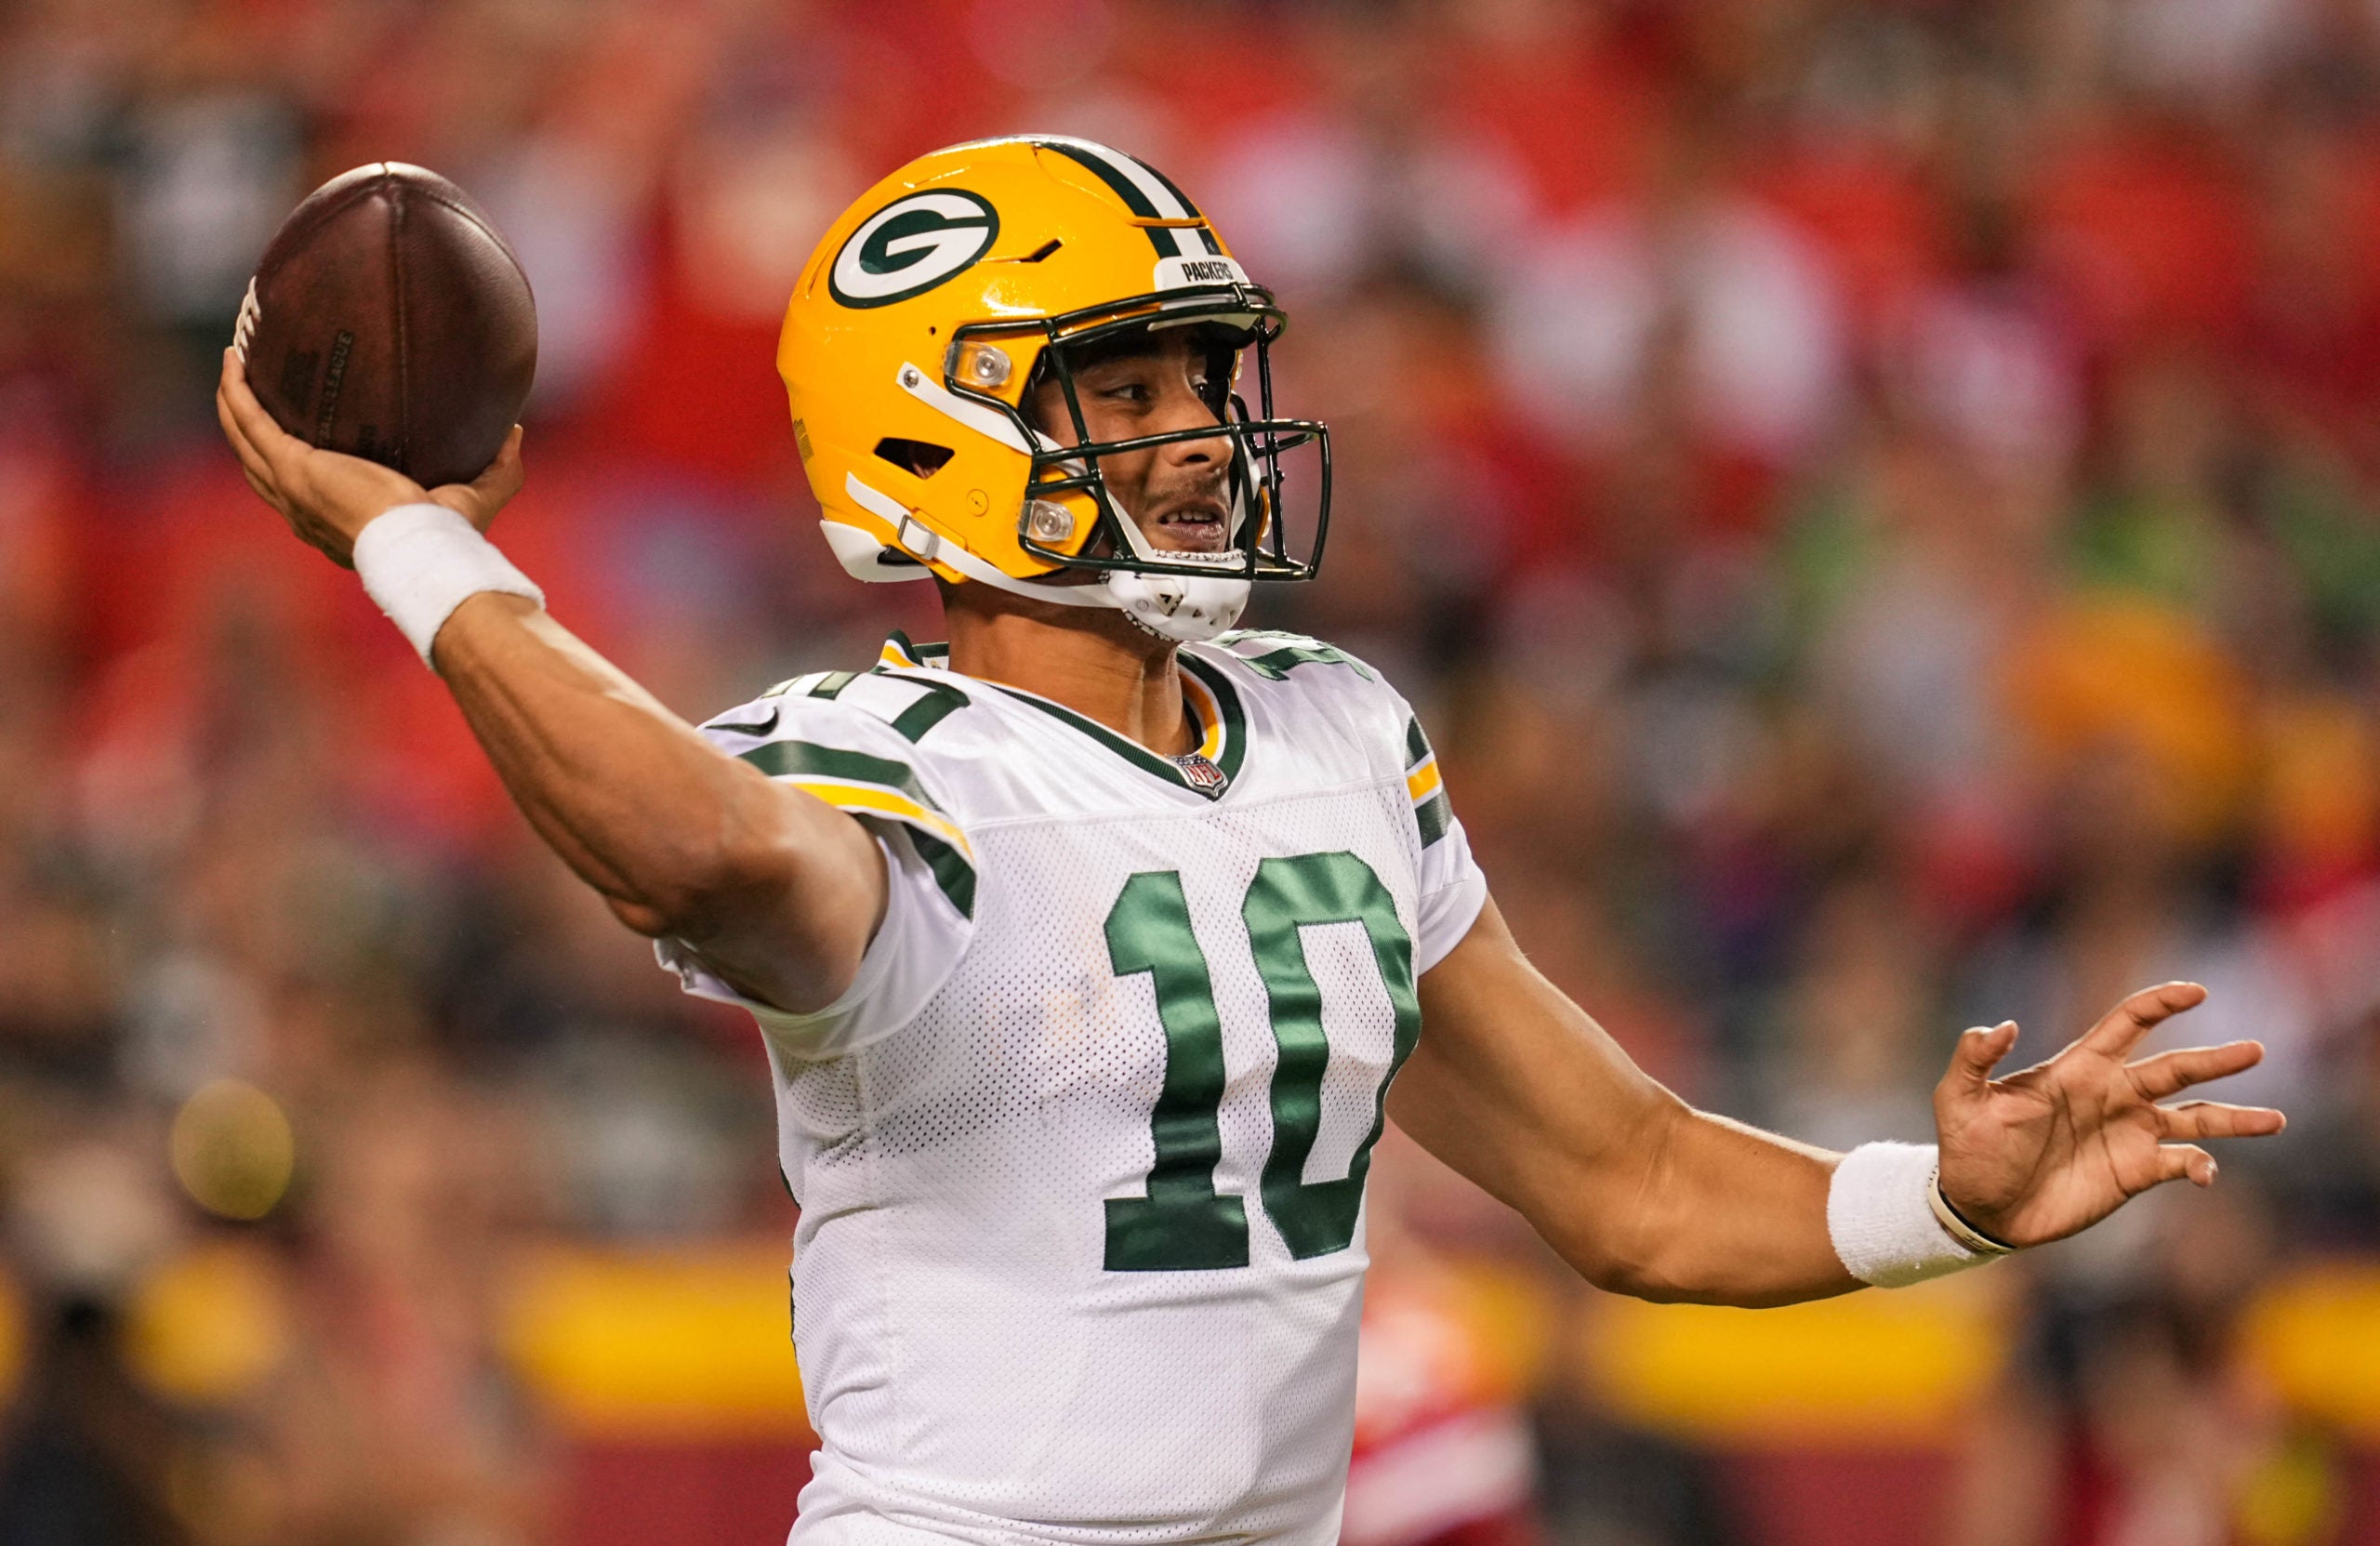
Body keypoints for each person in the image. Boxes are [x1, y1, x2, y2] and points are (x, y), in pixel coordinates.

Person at [214, 136, 2287, 1546]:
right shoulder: (880, 751)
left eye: (1204, 378)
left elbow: (1634, 1183)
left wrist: (1946, 1199)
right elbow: (700, 854)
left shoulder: (1333, 726)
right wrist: (407, 543)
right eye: (1121, 394)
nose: (1201, 432)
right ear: (939, 421)